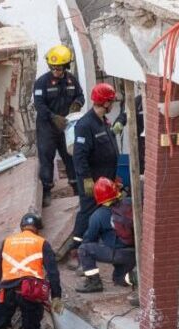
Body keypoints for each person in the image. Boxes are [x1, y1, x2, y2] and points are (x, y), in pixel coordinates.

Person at [70, 83, 121, 258]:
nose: (112, 104)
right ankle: (76, 248)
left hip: (105, 179)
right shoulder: (86, 125)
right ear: (106, 103)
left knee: (98, 212)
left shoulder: (103, 122)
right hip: (92, 180)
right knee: (87, 211)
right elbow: (79, 156)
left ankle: (91, 243)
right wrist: (87, 180)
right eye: (111, 101)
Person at [34, 44, 84, 207]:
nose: (56, 71)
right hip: (47, 128)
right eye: (53, 68)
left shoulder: (71, 80)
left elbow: (80, 95)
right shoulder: (42, 83)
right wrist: (53, 117)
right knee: (46, 157)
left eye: (59, 68)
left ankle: (76, 187)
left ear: (66, 66)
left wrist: (77, 104)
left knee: (70, 156)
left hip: (66, 127)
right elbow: (39, 105)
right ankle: (47, 191)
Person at [76, 177, 135, 293]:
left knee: (84, 249)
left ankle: (94, 283)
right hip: (134, 254)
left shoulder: (98, 215)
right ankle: (135, 278)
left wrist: (83, 263)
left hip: (117, 254)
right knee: (118, 279)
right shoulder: (130, 203)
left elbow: (89, 239)